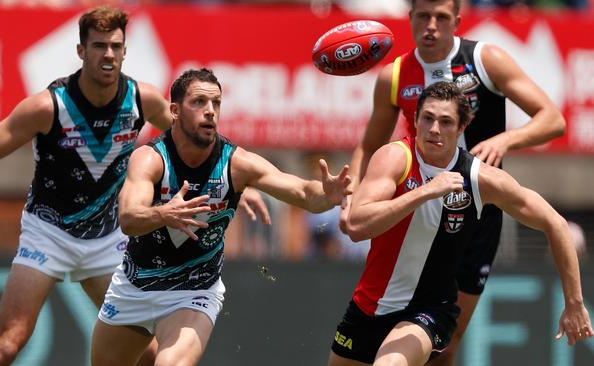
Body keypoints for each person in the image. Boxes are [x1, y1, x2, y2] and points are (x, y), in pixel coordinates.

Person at [0, 7, 267, 365]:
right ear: (81, 51)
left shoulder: (141, 100)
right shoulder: (48, 106)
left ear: (126, 51)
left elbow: (191, 141)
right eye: (99, 46)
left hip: (107, 239)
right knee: (7, 345)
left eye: (116, 46)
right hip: (48, 233)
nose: (109, 54)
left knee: (147, 355)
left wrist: (238, 182)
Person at [341, 0, 566, 364]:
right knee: (401, 322)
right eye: (423, 16)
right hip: (420, 208)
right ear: (409, 18)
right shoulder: (395, 75)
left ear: (457, 21)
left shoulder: (484, 60)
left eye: (441, 17)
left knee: (447, 342)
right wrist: (350, 196)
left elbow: (552, 118)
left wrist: (506, 139)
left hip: (476, 215)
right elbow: (369, 146)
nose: (431, 26)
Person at [90, 68, 352, 366]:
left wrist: (327, 195)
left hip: (194, 291)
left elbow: (304, 193)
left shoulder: (236, 163)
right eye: (199, 102)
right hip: (135, 287)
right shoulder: (150, 158)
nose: (210, 111)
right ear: (174, 111)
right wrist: (165, 212)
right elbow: (128, 218)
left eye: (216, 103)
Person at [329, 81, 592, 366]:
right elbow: (357, 226)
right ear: (415, 119)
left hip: (427, 310)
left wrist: (574, 303)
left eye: (446, 122)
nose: (434, 129)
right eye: (427, 118)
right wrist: (425, 192)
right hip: (367, 306)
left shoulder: (479, 178)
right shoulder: (394, 158)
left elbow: (555, 223)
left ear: (461, 128)